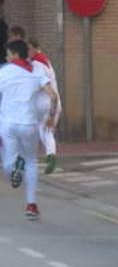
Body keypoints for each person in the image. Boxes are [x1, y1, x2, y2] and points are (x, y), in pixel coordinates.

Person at [0, 39, 58, 220]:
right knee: (31, 161)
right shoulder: (37, 71)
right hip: (29, 125)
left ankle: (16, 164)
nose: (7, 58)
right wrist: (50, 115)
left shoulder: (5, 72)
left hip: (8, 124)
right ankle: (31, 205)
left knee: (9, 164)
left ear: (15, 54)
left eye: (8, 54)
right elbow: (53, 96)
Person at [28, 38, 59, 175]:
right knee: (46, 131)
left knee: (42, 130)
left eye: (28, 49)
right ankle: (50, 155)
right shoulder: (45, 60)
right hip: (54, 103)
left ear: (34, 48)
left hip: (44, 102)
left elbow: (38, 85)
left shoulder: (36, 64)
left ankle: (49, 156)